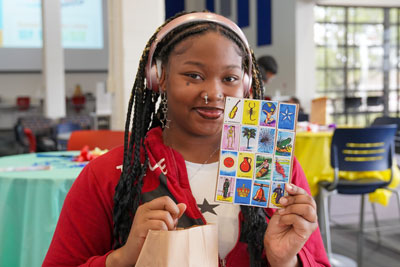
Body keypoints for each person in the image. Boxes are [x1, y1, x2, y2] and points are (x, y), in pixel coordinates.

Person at [43, 12, 329, 267]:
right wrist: (122, 259)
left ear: (245, 85)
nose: (214, 93)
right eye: (194, 75)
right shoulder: (109, 174)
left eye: (229, 78)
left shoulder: (277, 169)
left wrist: (286, 261)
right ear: (160, 78)